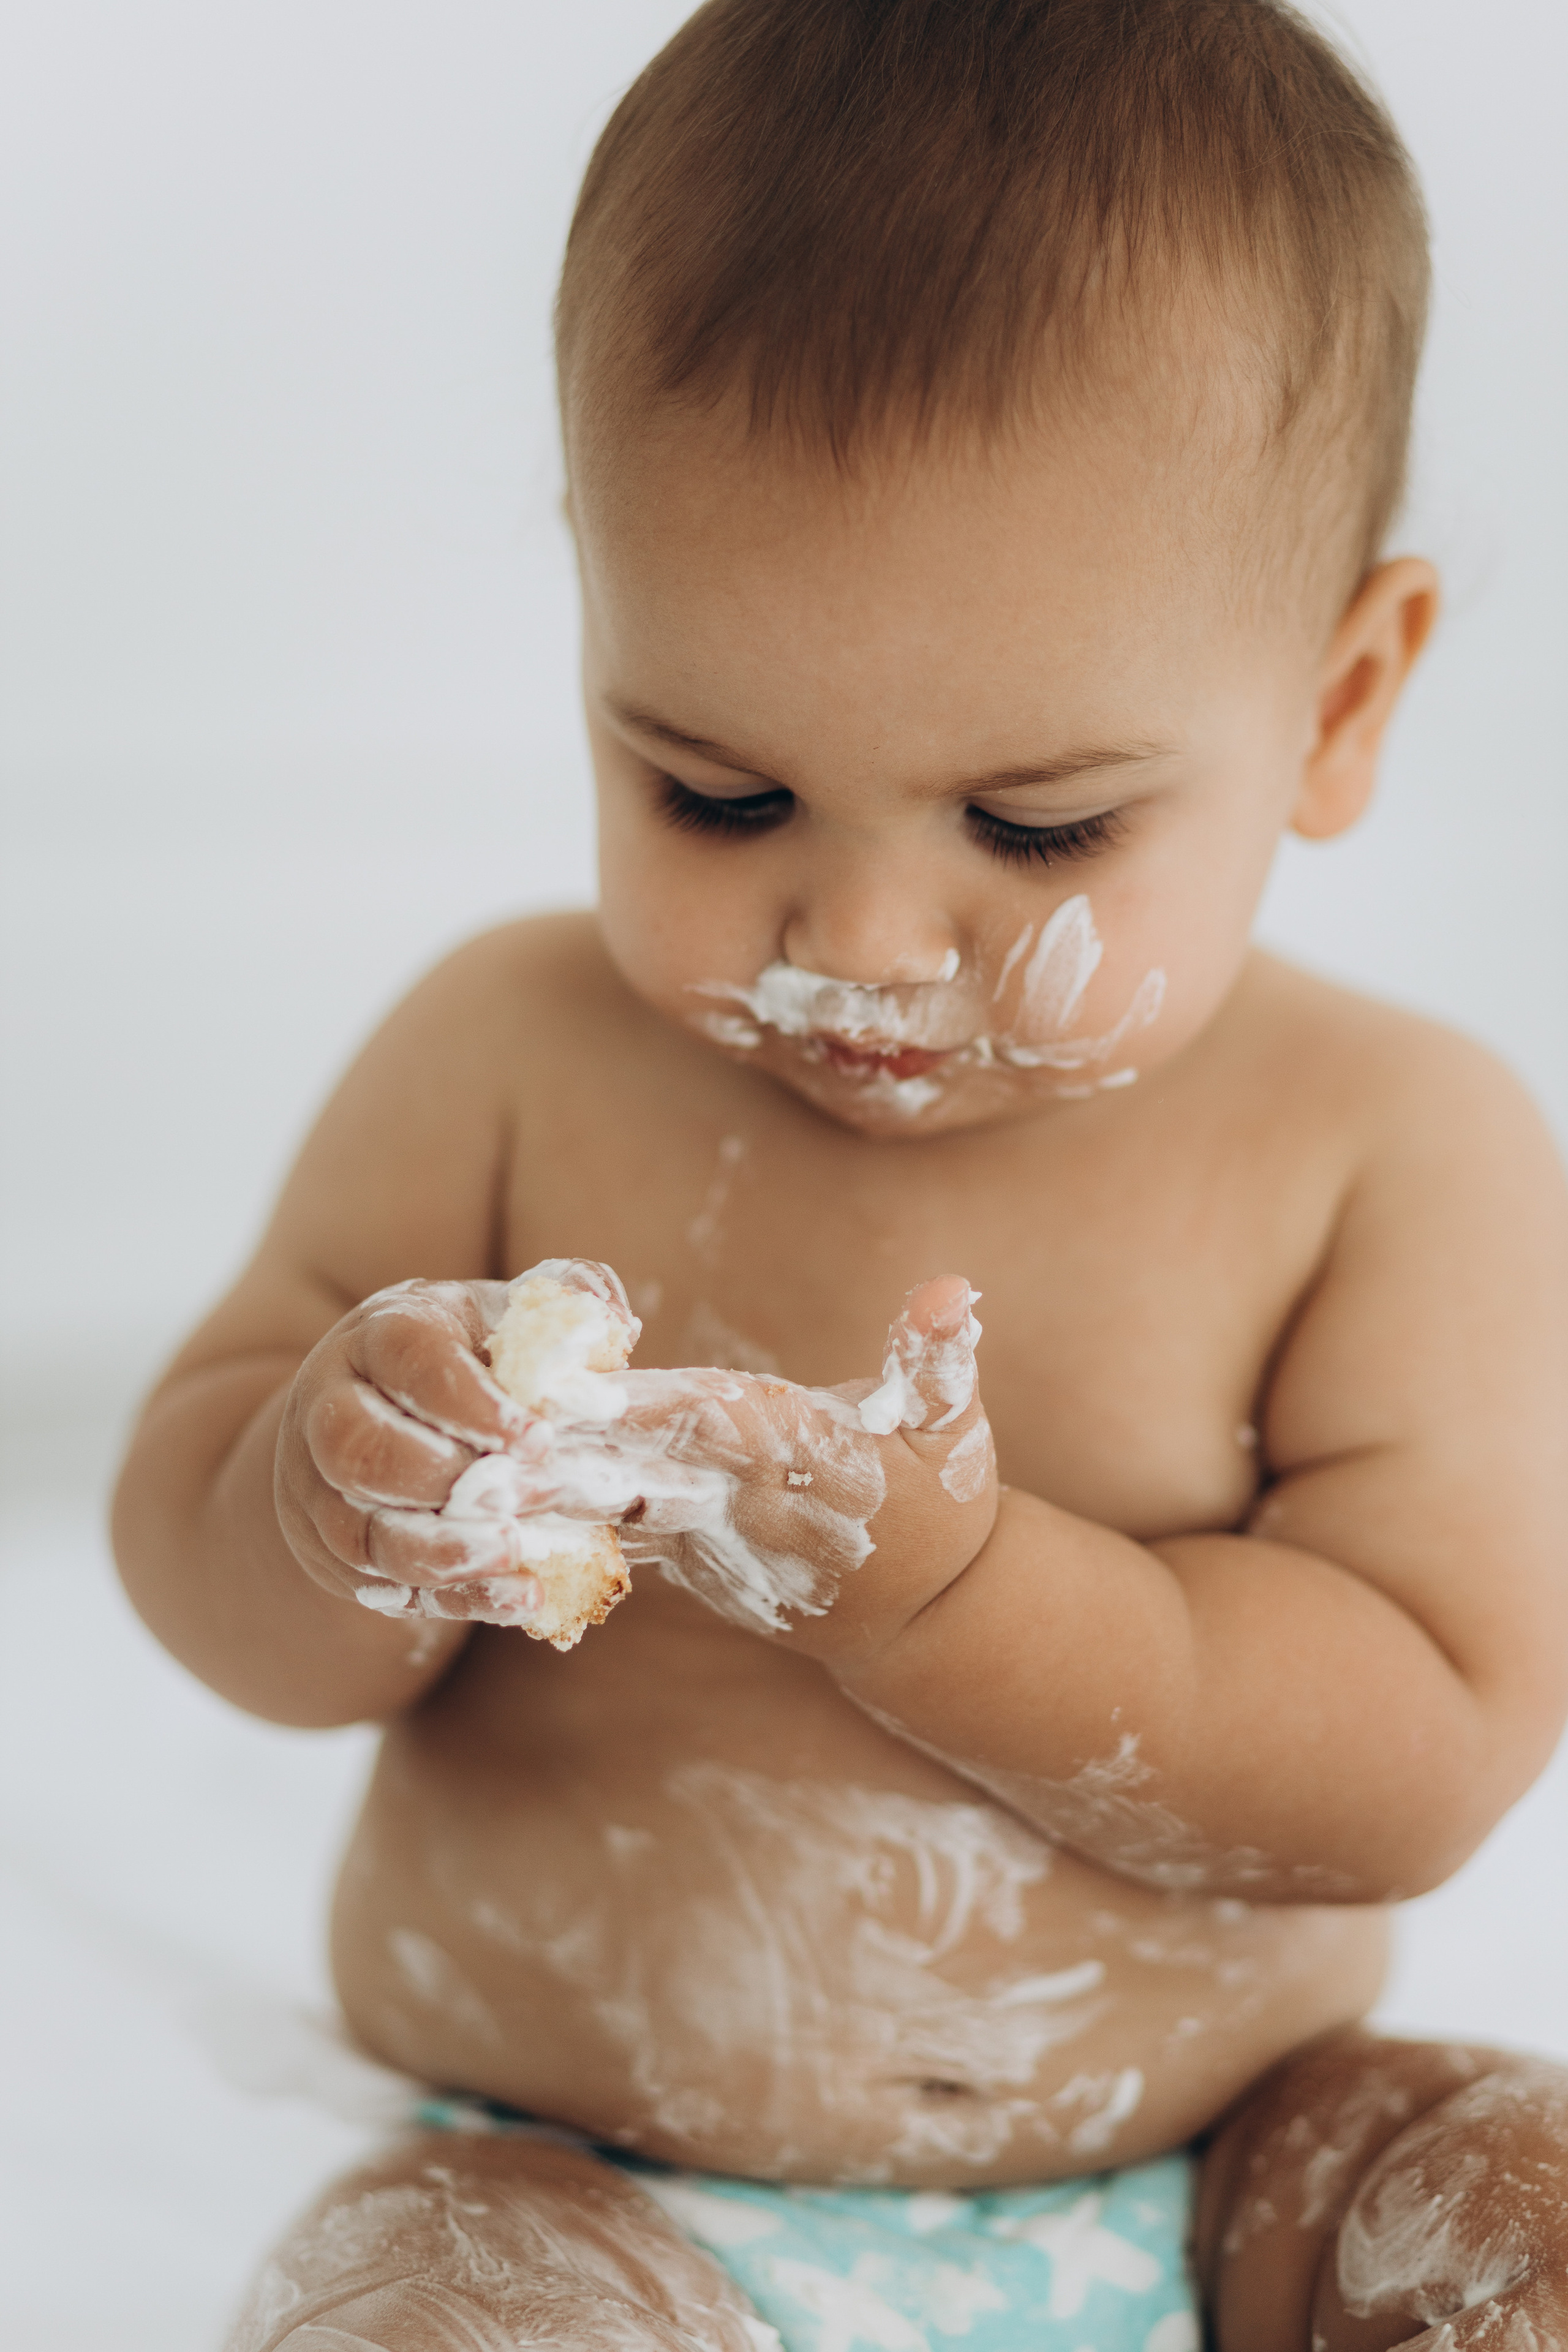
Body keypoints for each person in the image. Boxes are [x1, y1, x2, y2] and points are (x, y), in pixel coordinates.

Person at [113, 1, 1568, 2345]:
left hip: (1236, 2167)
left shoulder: (1391, 1153)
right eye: (716, 792)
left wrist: (947, 1596)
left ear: (1337, 702)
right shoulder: (499, 1057)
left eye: (1036, 826)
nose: (863, 948)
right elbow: (200, 1570)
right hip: (565, 2196)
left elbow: (1412, 1759)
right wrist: (325, 1494)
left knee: (1526, 2212)